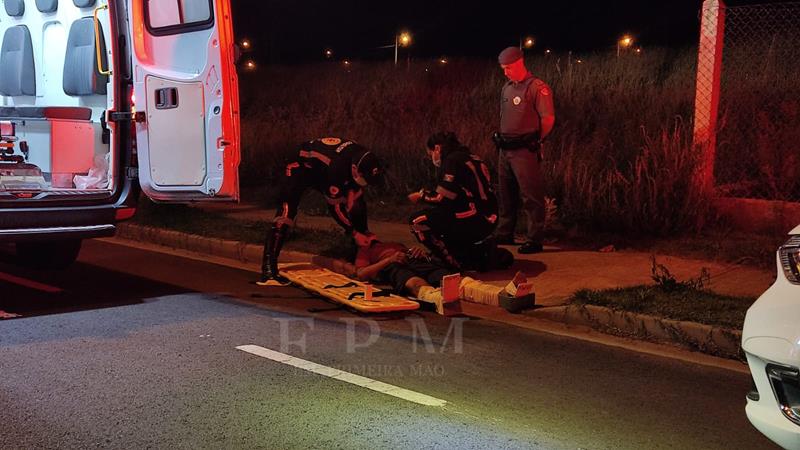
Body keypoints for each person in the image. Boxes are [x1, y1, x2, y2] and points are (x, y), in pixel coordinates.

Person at [258, 137, 384, 285]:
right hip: (299, 168)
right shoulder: (336, 167)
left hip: (321, 168)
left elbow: (356, 196)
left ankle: (359, 250)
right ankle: (268, 269)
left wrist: (364, 231)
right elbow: (335, 207)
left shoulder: (363, 155)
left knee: (356, 200)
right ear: (355, 169)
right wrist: (354, 232)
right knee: (286, 213)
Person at [407, 132, 508, 271]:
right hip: (488, 216)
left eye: (430, 154)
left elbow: (442, 198)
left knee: (417, 221)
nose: (432, 158)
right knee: (440, 217)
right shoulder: (472, 158)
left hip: (475, 216)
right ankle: (475, 253)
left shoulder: (451, 160)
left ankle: (451, 263)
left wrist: (420, 196)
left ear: (437, 148)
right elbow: (456, 195)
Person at [493, 46, 556, 254]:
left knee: (531, 195)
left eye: (508, 67)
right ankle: (505, 232)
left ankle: (534, 237)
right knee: (506, 193)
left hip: (524, 149)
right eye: (503, 68)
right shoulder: (507, 88)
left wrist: (537, 139)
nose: (505, 72)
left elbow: (548, 118)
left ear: (519, 62)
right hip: (505, 149)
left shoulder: (537, 87)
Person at [353, 235, 457, 310]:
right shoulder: (364, 250)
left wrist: (421, 254)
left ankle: (467, 289)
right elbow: (362, 274)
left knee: (445, 277)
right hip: (392, 266)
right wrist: (389, 259)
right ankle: (438, 300)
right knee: (414, 282)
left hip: (412, 259)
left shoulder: (392, 244)